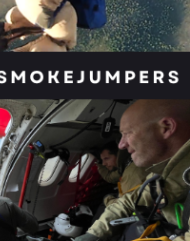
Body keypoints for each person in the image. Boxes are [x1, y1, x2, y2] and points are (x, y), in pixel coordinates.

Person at [74, 100, 190, 241]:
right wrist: (93, 234)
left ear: (166, 127)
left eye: (127, 133)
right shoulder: (166, 171)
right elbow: (131, 200)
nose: (122, 145)